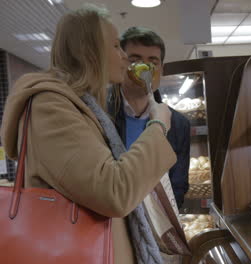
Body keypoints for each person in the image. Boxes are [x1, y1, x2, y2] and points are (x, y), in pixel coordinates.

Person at [1, 6, 174, 264]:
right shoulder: (50, 106)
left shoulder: (83, 106)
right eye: (116, 46)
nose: (124, 58)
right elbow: (114, 190)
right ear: (89, 51)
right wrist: (158, 127)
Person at [108, 27, 190, 208]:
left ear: (162, 69)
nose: (144, 67)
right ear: (121, 62)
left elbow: (178, 186)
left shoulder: (178, 124)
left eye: (153, 61)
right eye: (134, 60)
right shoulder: (101, 114)